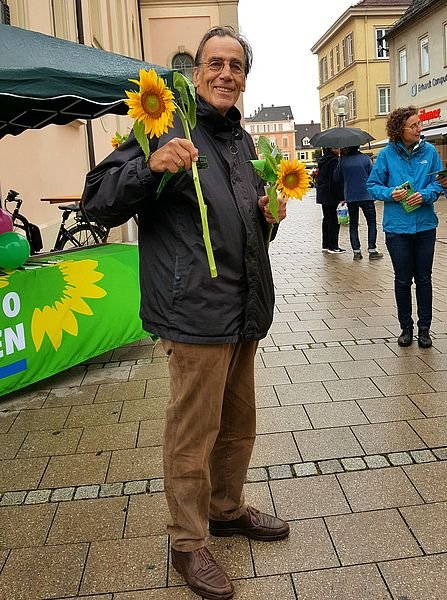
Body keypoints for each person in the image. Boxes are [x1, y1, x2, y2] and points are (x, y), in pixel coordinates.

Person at [82, 26, 289, 600]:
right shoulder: (164, 125)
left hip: (245, 310)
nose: (227, 74)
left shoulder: (244, 144)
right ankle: (188, 543)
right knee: (192, 433)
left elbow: (248, 230)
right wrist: (151, 167)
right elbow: (95, 196)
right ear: (196, 71)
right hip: (194, 311)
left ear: (246, 78)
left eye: (237, 66)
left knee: (238, 426)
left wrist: (268, 216)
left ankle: (225, 510)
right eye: (215, 63)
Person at [367, 106, 443, 348]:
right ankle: (406, 328)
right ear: (401, 129)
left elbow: (439, 183)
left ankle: (424, 329)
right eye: (414, 125)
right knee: (402, 279)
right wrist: (392, 193)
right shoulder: (387, 155)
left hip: (425, 227)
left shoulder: (430, 151)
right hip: (397, 229)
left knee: (424, 279)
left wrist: (425, 195)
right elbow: (372, 185)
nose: (419, 128)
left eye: (419, 124)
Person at [335, 146, 383, 261]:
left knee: (353, 224)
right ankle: (372, 250)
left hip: (350, 196)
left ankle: (356, 252)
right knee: (371, 223)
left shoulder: (343, 161)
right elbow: (373, 175)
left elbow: (336, 177)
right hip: (367, 195)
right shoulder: (365, 158)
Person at [315, 147, 345, 253]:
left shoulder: (323, 160)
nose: (339, 149)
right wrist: (341, 196)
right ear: (332, 149)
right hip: (331, 194)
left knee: (327, 218)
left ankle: (326, 244)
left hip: (323, 194)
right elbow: (336, 179)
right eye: (337, 148)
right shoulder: (334, 160)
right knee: (333, 220)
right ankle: (333, 246)